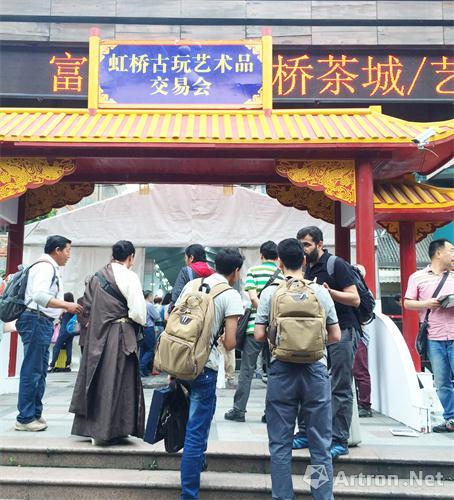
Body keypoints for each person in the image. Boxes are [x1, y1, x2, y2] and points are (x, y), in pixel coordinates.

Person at [255, 238, 341, 500]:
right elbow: (336, 335)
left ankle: (283, 496)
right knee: (320, 443)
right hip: (315, 370)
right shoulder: (320, 292)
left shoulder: (270, 293)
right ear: (304, 261)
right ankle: (321, 494)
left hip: (281, 370)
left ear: (279, 262)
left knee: (280, 443)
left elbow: (259, 335)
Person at [176, 248, 244, 499]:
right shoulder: (230, 294)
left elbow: (175, 317)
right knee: (195, 430)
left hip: (181, 362)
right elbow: (230, 343)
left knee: (198, 420)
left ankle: (198, 462)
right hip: (205, 366)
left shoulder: (192, 284)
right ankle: (189, 494)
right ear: (236, 271)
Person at [70, 240, 147, 445]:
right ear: (130, 257)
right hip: (120, 335)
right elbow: (138, 313)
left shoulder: (96, 277)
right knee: (118, 381)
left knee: (97, 379)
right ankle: (113, 430)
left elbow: (86, 307)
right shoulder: (130, 277)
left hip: (96, 334)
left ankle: (91, 429)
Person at [296, 226, 360, 459]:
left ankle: (339, 439)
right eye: (300, 245)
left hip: (343, 331)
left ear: (320, 244)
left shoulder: (336, 265)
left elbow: (354, 298)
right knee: (308, 383)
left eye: (307, 244)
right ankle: (305, 433)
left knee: (340, 386)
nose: (303, 249)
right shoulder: (305, 269)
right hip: (316, 334)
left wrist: (328, 292)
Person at [15, 235, 82, 432]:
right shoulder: (45, 267)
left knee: (40, 370)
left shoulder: (50, 266)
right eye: (68, 251)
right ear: (57, 250)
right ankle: (25, 418)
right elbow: (39, 295)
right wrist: (66, 305)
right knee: (32, 370)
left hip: (41, 321)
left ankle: (34, 413)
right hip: (36, 320)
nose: (69, 255)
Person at [225, 241, 282, 423]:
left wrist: (262, 314)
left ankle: (238, 410)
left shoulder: (253, 271)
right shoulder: (282, 274)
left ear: (261, 255)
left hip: (253, 328)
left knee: (247, 371)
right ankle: (270, 413)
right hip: (275, 330)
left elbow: (252, 297)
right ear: (277, 257)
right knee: (274, 371)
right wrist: (271, 317)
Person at [404, 238, 454, 433]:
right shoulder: (417, 277)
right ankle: (450, 418)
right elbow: (408, 302)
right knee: (441, 382)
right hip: (434, 336)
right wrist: (426, 304)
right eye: (451, 250)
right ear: (438, 253)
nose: (453, 254)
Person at [352, 264, 373, 418]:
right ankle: (362, 404)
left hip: (358, 334)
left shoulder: (361, 292)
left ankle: (365, 405)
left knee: (359, 371)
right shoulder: (366, 292)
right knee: (360, 371)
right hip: (359, 334)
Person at [48, 292, 77, 372]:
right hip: (71, 330)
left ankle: (52, 365)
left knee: (57, 346)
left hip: (64, 330)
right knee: (69, 347)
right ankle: (67, 365)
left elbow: (58, 316)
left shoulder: (65, 308)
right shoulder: (74, 308)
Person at [140, 291, 160, 377]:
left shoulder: (140, 303)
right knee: (150, 349)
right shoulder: (149, 305)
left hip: (142, 328)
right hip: (149, 328)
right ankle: (141, 367)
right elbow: (156, 316)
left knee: (143, 349)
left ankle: (143, 370)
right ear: (149, 296)